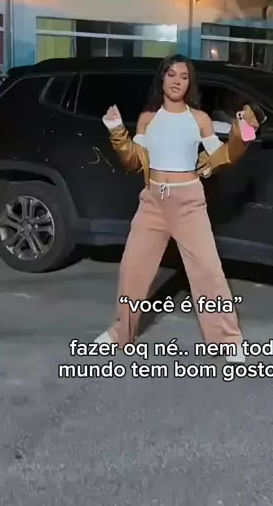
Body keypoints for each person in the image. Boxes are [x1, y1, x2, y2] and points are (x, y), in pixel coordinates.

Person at [95, 54, 261, 363]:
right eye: (171, 74)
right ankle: (121, 333)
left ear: (189, 84)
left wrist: (243, 136)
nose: (177, 81)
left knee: (208, 272)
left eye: (184, 77)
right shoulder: (147, 118)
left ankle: (228, 340)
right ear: (162, 78)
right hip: (153, 202)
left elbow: (222, 157)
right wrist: (116, 130)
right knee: (132, 269)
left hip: (189, 203)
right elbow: (133, 162)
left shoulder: (199, 119)